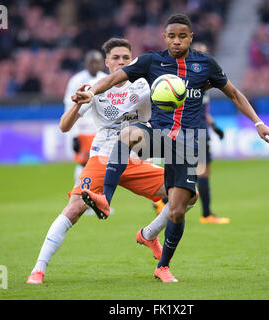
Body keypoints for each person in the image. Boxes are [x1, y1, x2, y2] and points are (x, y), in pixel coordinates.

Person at [76, 14, 269, 283]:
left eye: (182, 36)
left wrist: (259, 123)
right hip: (158, 134)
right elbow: (114, 78)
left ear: (191, 37)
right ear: (165, 37)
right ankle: (105, 199)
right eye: (172, 36)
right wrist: (91, 92)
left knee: (177, 209)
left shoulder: (205, 64)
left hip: (187, 142)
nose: (176, 41)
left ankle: (163, 265)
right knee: (127, 134)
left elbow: (233, 93)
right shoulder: (152, 60)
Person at [26, 38, 197, 285]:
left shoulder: (145, 85)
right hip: (103, 157)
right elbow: (64, 126)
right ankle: (38, 269)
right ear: (106, 62)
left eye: (126, 58)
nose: (121, 62)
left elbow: (169, 101)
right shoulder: (95, 89)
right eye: (116, 58)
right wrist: (77, 105)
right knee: (73, 209)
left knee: (188, 196)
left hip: (136, 158)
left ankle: (148, 235)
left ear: (132, 60)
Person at [191, 42, 230, 224]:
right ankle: (206, 214)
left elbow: (203, 111)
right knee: (202, 174)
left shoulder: (190, 80)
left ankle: (163, 201)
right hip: (196, 132)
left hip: (194, 130)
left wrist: (214, 126)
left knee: (189, 173)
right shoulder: (201, 81)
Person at [63, 50, 106, 182]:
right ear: (86, 63)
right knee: (83, 162)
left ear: (102, 64)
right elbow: (69, 107)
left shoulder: (106, 79)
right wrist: (73, 134)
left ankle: (97, 196)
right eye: (91, 62)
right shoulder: (76, 80)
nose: (94, 65)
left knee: (101, 164)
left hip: (101, 127)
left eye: (97, 62)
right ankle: (80, 191)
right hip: (83, 128)